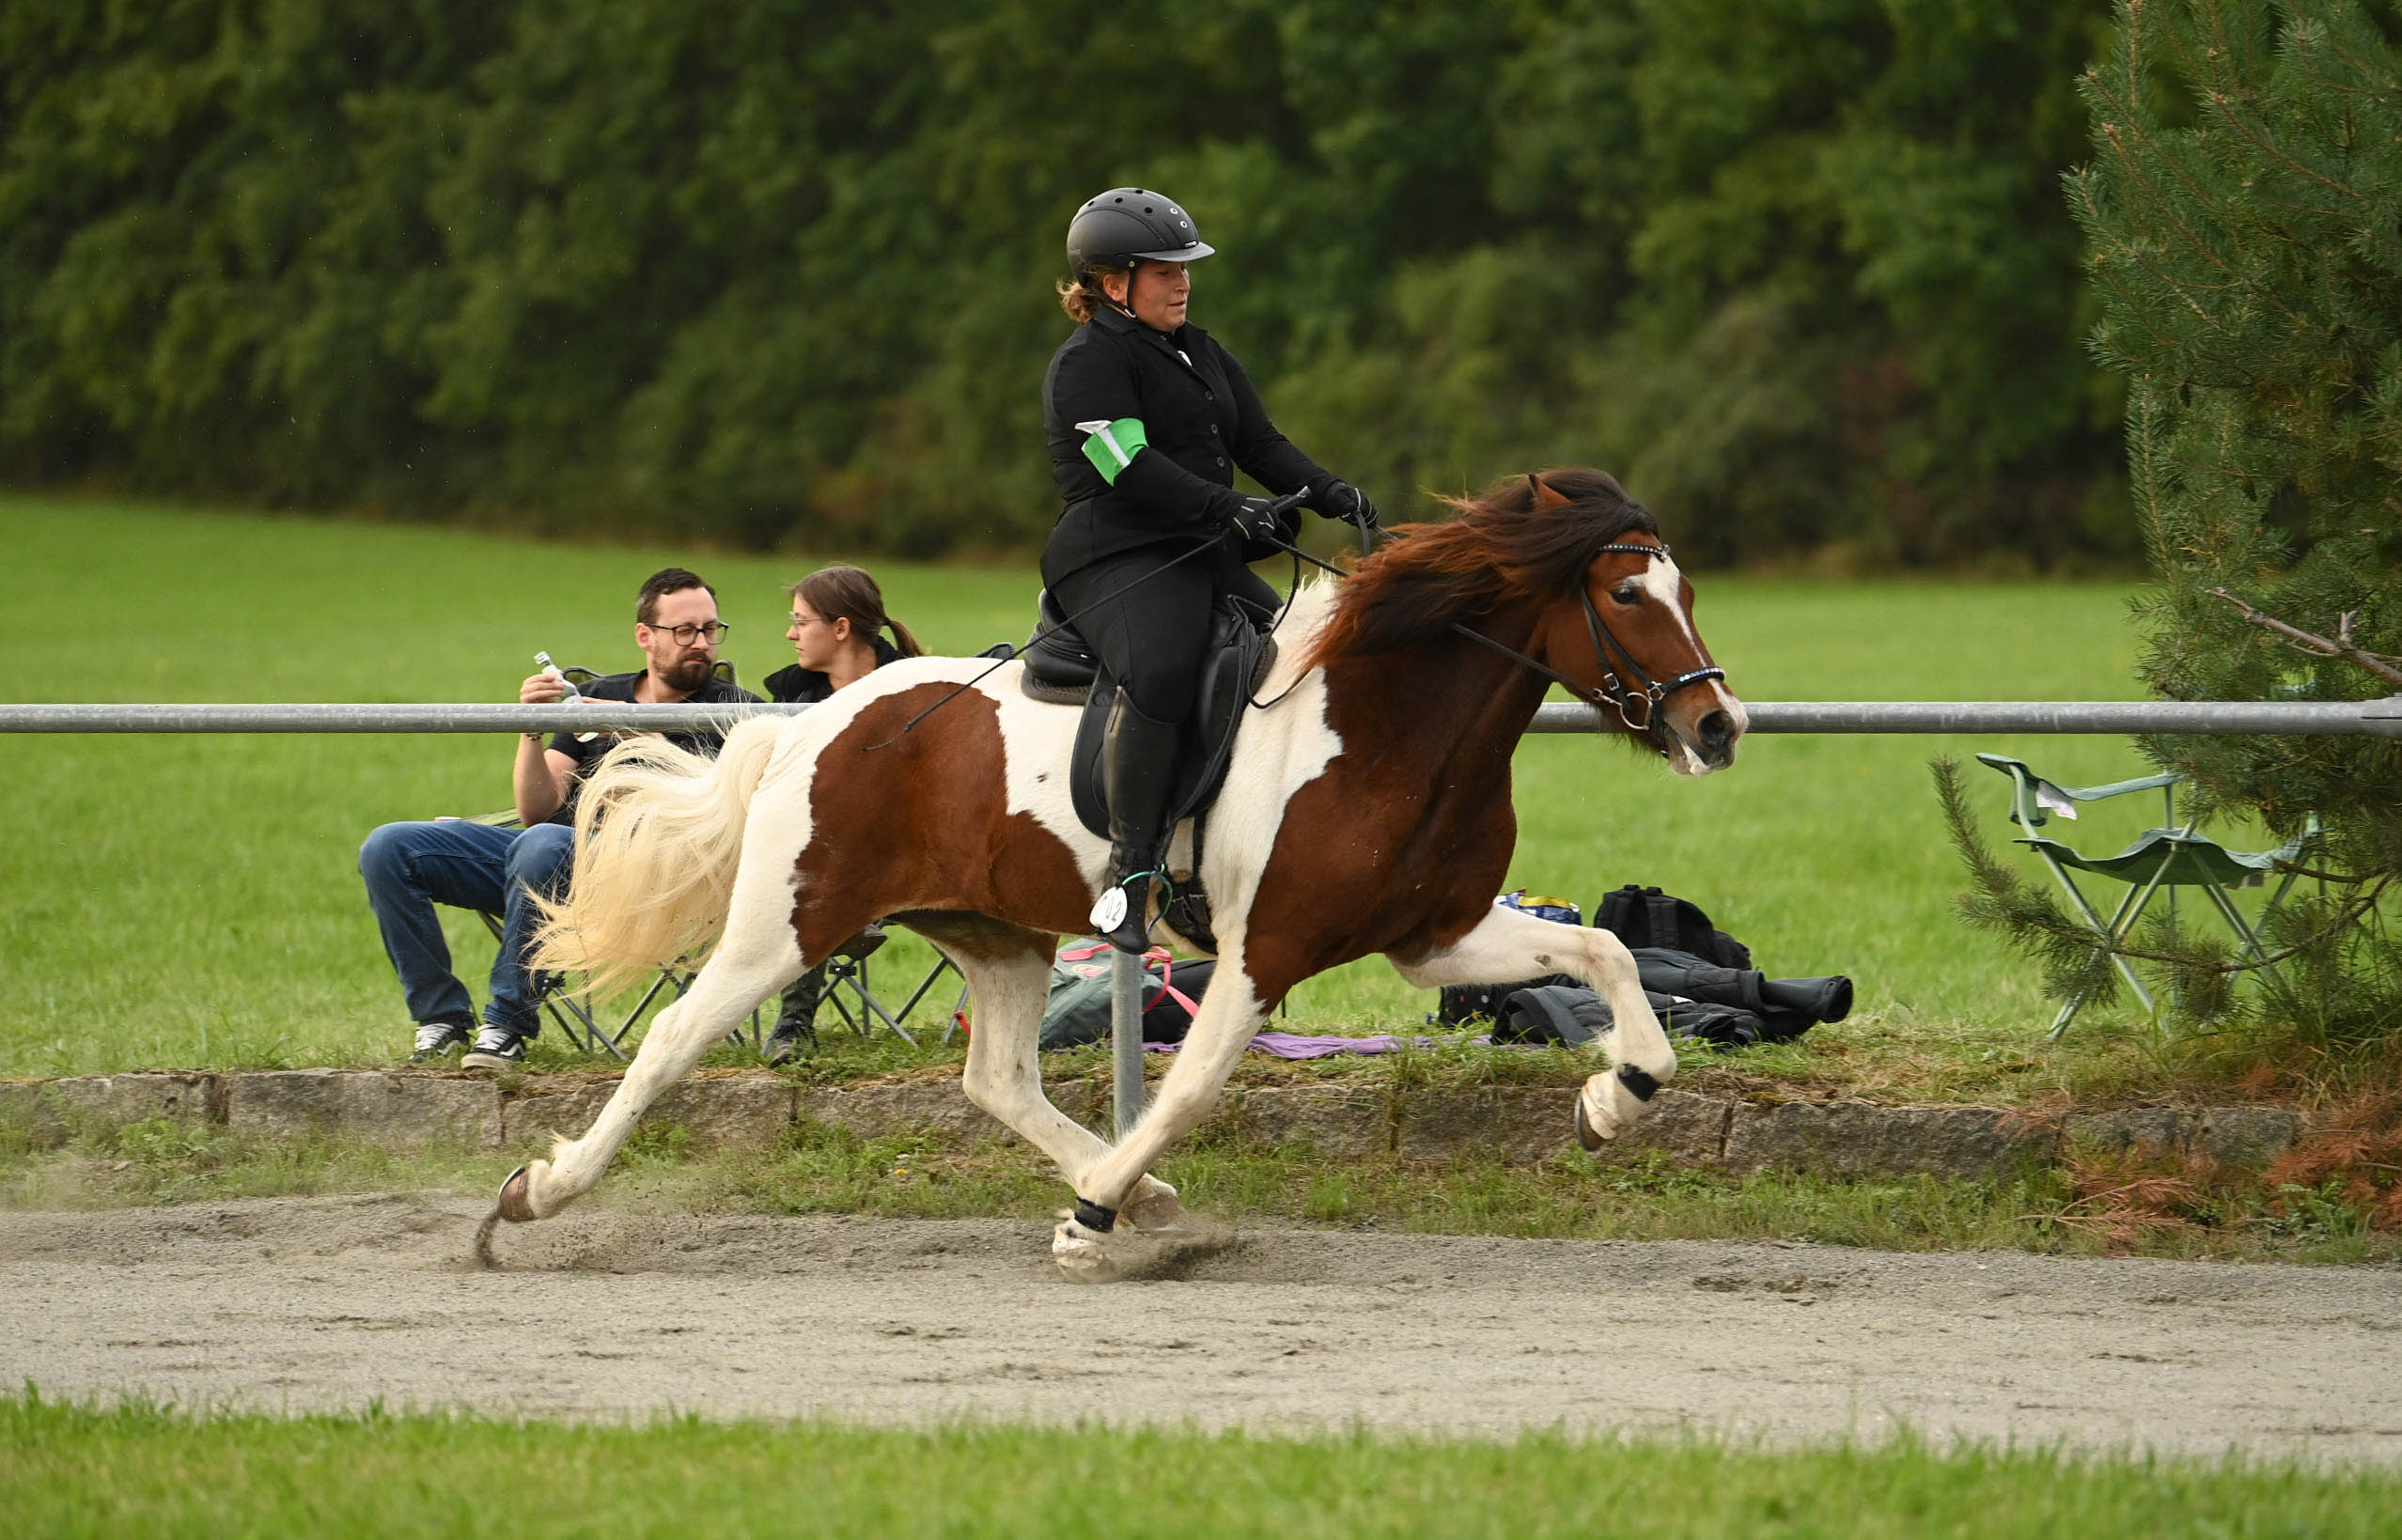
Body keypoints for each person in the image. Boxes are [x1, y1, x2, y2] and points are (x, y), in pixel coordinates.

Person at [1042, 186, 1380, 951]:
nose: (1182, 281)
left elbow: (1259, 440)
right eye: (1163, 269)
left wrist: (1331, 490)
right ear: (1110, 282)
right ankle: (1129, 877)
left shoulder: (1198, 347)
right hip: (1116, 555)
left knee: (1294, 664)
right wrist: (1225, 508)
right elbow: (1128, 464)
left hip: (1201, 552)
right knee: (1161, 673)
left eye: (1184, 267)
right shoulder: (1086, 366)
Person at [358, 568, 761, 1068]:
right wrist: (532, 728)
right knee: (390, 848)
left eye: (710, 629)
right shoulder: (604, 694)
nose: (701, 642)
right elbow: (537, 809)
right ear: (645, 636)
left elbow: (731, 817)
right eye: (684, 631)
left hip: (658, 882)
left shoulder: (741, 715)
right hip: (552, 861)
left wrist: (639, 737)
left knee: (544, 844)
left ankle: (507, 1026)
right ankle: (441, 1019)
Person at [758, 566, 924, 1065]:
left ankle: (791, 1026)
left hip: (916, 855)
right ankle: (790, 1027)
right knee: (813, 867)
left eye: (800, 621)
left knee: (816, 877)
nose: (790, 633)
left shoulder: (915, 689)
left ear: (841, 628)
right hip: (824, 856)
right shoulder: (793, 697)